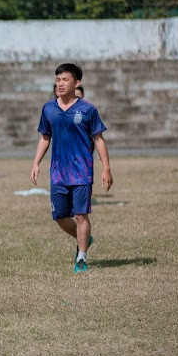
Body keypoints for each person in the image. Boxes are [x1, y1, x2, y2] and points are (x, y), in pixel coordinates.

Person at [31, 63, 113, 274]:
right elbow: (45, 138)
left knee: (81, 215)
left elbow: (99, 139)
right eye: (58, 80)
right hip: (58, 171)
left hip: (82, 171)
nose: (60, 84)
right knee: (59, 216)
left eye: (65, 80)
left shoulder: (88, 109)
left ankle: (82, 257)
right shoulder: (49, 108)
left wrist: (106, 168)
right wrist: (36, 163)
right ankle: (85, 237)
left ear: (76, 83)